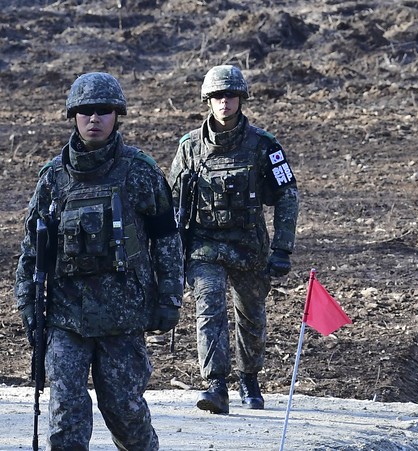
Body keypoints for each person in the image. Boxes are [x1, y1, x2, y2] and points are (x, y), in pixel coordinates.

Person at [14, 72, 183, 450]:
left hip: (123, 318)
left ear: (117, 115)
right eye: (86, 111)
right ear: (73, 115)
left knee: (125, 411)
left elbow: (167, 238)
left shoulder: (140, 171)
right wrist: (29, 309)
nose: (94, 119)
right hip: (65, 317)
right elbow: (31, 252)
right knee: (66, 416)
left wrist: (170, 298)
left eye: (103, 111)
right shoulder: (53, 178)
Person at [168, 64, 299, 415]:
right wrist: (170, 253)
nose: (223, 102)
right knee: (209, 307)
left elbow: (287, 193)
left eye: (230, 96)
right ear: (207, 101)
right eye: (216, 97)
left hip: (249, 245)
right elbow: (172, 201)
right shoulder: (190, 147)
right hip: (204, 245)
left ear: (241, 99)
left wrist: (283, 248)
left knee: (251, 315)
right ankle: (215, 384)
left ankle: (249, 377)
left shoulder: (264, 145)